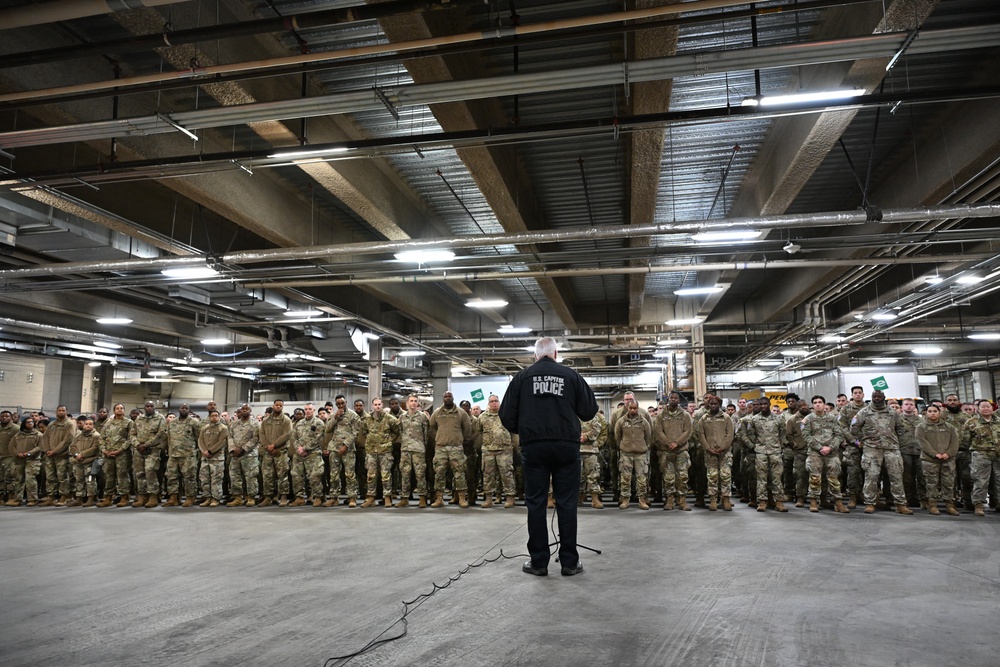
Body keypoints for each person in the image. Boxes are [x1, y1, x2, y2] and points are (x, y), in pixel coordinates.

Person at [500, 337, 598, 577]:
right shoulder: (570, 375)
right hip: (566, 447)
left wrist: (525, 429)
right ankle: (569, 562)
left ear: (535, 355)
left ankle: (539, 562)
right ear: (556, 353)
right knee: (566, 503)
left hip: (534, 448)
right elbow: (589, 410)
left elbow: (506, 415)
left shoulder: (521, 378)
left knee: (535, 503)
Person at [850, 390, 912, 515]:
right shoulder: (864, 412)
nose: (877, 398)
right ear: (871, 398)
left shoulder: (892, 412)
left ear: (884, 398)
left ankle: (900, 504)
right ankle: (870, 503)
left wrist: (893, 440)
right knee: (871, 477)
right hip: (872, 449)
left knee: (896, 476)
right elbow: (854, 429)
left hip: (891, 449)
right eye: (874, 396)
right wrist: (863, 440)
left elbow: (900, 428)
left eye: (879, 396)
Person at [801, 395, 851, 513]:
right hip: (815, 453)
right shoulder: (808, 419)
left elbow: (839, 435)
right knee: (815, 478)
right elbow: (806, 436)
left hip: (831, 453)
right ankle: (813, 501)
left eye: (820, 402)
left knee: (834, 478)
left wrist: (830, 447)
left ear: (824, 404)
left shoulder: (833, 418)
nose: (818, 404)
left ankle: (837, 502)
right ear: (812, 405)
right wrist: (820, 448)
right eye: (815, 402)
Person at [428, 391, 474, 508]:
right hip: (441, 448)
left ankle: (462, 498)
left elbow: (467, 428)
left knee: (459, 473)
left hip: (456, 448)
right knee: (439, 473)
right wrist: (438, 438)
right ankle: (439, 499)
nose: (448, 399)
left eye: (450, 397)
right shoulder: (437, 412)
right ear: (443, 399)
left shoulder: (461, 413)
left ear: (453, 398)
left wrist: (461, 439)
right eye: (446, 397)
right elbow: (432, 427)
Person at [916, 404, 959, 515]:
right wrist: (935, 454)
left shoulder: (949, 427)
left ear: (939, 412)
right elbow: (922, 443)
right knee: (931, 483)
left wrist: (948, 453)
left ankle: (949, 505)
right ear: (926, 413)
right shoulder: (921, 427)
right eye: (930, 411)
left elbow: (955, 442)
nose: (933, 413)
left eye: (935, 411)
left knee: (948, 483)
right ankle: (933, 505)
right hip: (930, 460)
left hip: (948, 460)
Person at [693, 395, 734, 511]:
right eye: (711, 404)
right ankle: (713, 499)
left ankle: (725, 499)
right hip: (710, 452)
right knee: (712, 476)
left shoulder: (726, 418)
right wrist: (707, 448)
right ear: (708, 405)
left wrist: (723, 447)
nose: (713, 406)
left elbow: (730, 434)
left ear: (719, 405)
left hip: (724, 453)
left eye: (715, 404)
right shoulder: (704, 419)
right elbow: (700, 434)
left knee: (725, 476)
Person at [653, 391, 692, 510]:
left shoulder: (685, 415)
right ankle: (669, 500)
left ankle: (682, 500)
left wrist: (677, 443)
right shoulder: (661, 415)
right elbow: (658, 431)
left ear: (679, 400)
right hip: (666, 451)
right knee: (668, 477)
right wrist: (668, 443)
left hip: (681, 451)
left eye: (676, 398)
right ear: (668, 399)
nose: (673, 399)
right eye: (671, 398)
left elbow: (688, 431)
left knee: (683, 476)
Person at [358, 398, 400, 508]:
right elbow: (364, 432)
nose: (377, 406)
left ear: (382, 405)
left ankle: (387, 497)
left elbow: (396, 431)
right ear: (372, 406)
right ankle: (371, 497)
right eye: (375, 404)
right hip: (371, 451)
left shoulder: (390, 419)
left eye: (379, 404)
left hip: (385, 451)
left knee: (386, 476)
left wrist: (388, 440)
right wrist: (372, 440)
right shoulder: (367, 420)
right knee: (371, 475)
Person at [322, 395, 361, 507]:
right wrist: (335, 417)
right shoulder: (334, 415)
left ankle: (352, 497)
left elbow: (355, 432)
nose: (340, 405)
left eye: (342, 403)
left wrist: (346, 445)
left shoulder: (353, 415)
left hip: (347, 449)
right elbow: (328, 429)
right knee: (333, 474)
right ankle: (334, 497)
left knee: (349, 474)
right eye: (338, 404)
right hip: (334, 448)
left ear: (346, 402)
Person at [963, 399, 1000, 517]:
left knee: (999, 480)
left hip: (998, 454)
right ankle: (978, 504)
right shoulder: (971, 422)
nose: (986, 408)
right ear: (978, 409)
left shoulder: (998, 421)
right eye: (983, 406)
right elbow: (965, 440)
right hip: (981, 454)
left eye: (988, 406)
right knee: (981, 480)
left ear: (992, 408)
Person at [479, 394, 516, 508]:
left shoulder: (506, 414)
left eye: (496, 401)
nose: (494, 403)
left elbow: (513, 432)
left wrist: (512, 446)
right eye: (492, 401)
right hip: (488, 450)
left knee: (507, 474)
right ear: (488, 403)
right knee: (487, 475)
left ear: (499, 402)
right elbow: (479, 431)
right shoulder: (483, 417)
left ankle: (510, 497)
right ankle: (488, 498)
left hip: (504, 450)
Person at [615, 400, 652, 510]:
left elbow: (649, 436)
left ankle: (642, 500)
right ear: (627, 408)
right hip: (626, 454)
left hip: (640, 454)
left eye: (635, 408)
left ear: (638, 408)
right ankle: (625, 499)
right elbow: (617, 437)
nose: (633, 410)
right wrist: (623, 446)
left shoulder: (644, 422)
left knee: (642, 478)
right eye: (631, 408)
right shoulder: (621, 421)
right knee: (625, 478)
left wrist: (644, 447)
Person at [98, 403, 134, 507]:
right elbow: (102, 438)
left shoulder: (129, 423)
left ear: (124, 410)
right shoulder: (108, 423)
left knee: (122, 475)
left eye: (121, 408)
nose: (119, 410)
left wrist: (120, 450)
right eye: (117, 408)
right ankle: (108, 497)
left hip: (122, 454)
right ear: (114, 411)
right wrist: (104, 450)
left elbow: (130, 438)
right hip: (108, 454)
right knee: (109, 476)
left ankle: (124, 497)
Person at [396, 394, 429, 508]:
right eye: (411, 401)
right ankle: (404, 498)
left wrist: (423, 446)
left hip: (418, 449)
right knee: (405, 474)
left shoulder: (422, 417)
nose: (413, 403)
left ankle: (422, 497)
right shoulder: (402, 417)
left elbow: (426, 434)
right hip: (405, 449)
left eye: (415, 401)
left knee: (420, 474)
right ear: (407, 403)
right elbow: (400, 431)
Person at [259, 399, 293, 507]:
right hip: (268, 452)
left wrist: (274, 445)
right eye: (277, 405)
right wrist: (267, 446)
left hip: (280, 451)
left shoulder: (286, 420)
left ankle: (283, 497)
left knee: (282, 475)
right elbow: (261, 434)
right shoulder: (266, 420)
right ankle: (268, 497)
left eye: (280, 405)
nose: (278, 407)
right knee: (267, 475)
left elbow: (287, 434)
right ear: (273, 406)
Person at [227, 404, 260, 507]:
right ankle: (238, 498)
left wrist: (243, 448)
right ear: (239, 411)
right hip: (235, 455)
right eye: (242, 409)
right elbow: (230, 437)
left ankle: (251, 497)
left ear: (250, 410)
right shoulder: (233, 424)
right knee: (234, 476)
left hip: (249, 454)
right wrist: (233, 448)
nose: (244, 411)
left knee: (251, 477)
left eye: (246, 409)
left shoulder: (255, 424)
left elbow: (255, 438)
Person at [10, 417, 45, 506]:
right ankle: (18, 499)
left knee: (30, 479)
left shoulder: (39, 435)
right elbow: (11, 446)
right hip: (19, 460)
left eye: (32, 422)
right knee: (18, 479)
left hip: (33, 460)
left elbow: (40, 447)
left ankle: (32, 499)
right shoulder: (18, 435)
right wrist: (17, 454)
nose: (30, 423)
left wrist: (29, 453)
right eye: (28, 422)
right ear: (24, 424)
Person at [68, 417, 102, 507]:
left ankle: (91, 498)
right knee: (79, 480)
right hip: (78, 462)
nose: (88, 426)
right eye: (86, 424)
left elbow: (95, 448)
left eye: (90, 424)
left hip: (90, 461)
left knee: (90, 480)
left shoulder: (96, 436)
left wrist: (82, 455)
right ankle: (79, 498)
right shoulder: (78, 435)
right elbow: (72, 446)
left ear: (93, 425)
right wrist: (76, 455)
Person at [198, 410, 228, 507]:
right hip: (205, 458)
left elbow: (222, 441)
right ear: (209, 417)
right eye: (212, 416)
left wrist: (211, 451)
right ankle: (207, 498)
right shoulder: (204, 428)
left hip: (217, 458)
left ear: (219, 417)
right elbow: (200, 441)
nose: (214, 417)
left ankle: (216, 498)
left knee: (216, 480)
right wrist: (204, 451)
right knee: (204, 479)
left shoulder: (223, 428)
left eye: (216, 416)